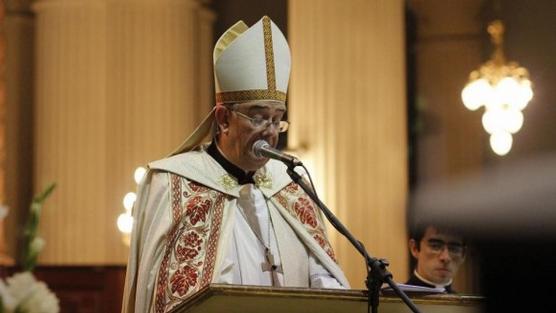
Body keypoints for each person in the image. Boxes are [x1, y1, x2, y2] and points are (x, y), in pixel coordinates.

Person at [121, 16, 349, 313]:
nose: (269, 130)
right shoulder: (173, 182)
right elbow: (161, 294)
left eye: (276, 120)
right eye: (257, 117)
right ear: (223, 119)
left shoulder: (290, 183)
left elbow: (321, 273)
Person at [406, 225, 466, 293]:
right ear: (414, 248)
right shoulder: (395, 301)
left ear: (463, 254)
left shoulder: (468, 303)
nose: (445, 258)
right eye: (435, 246)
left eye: (454, 249)